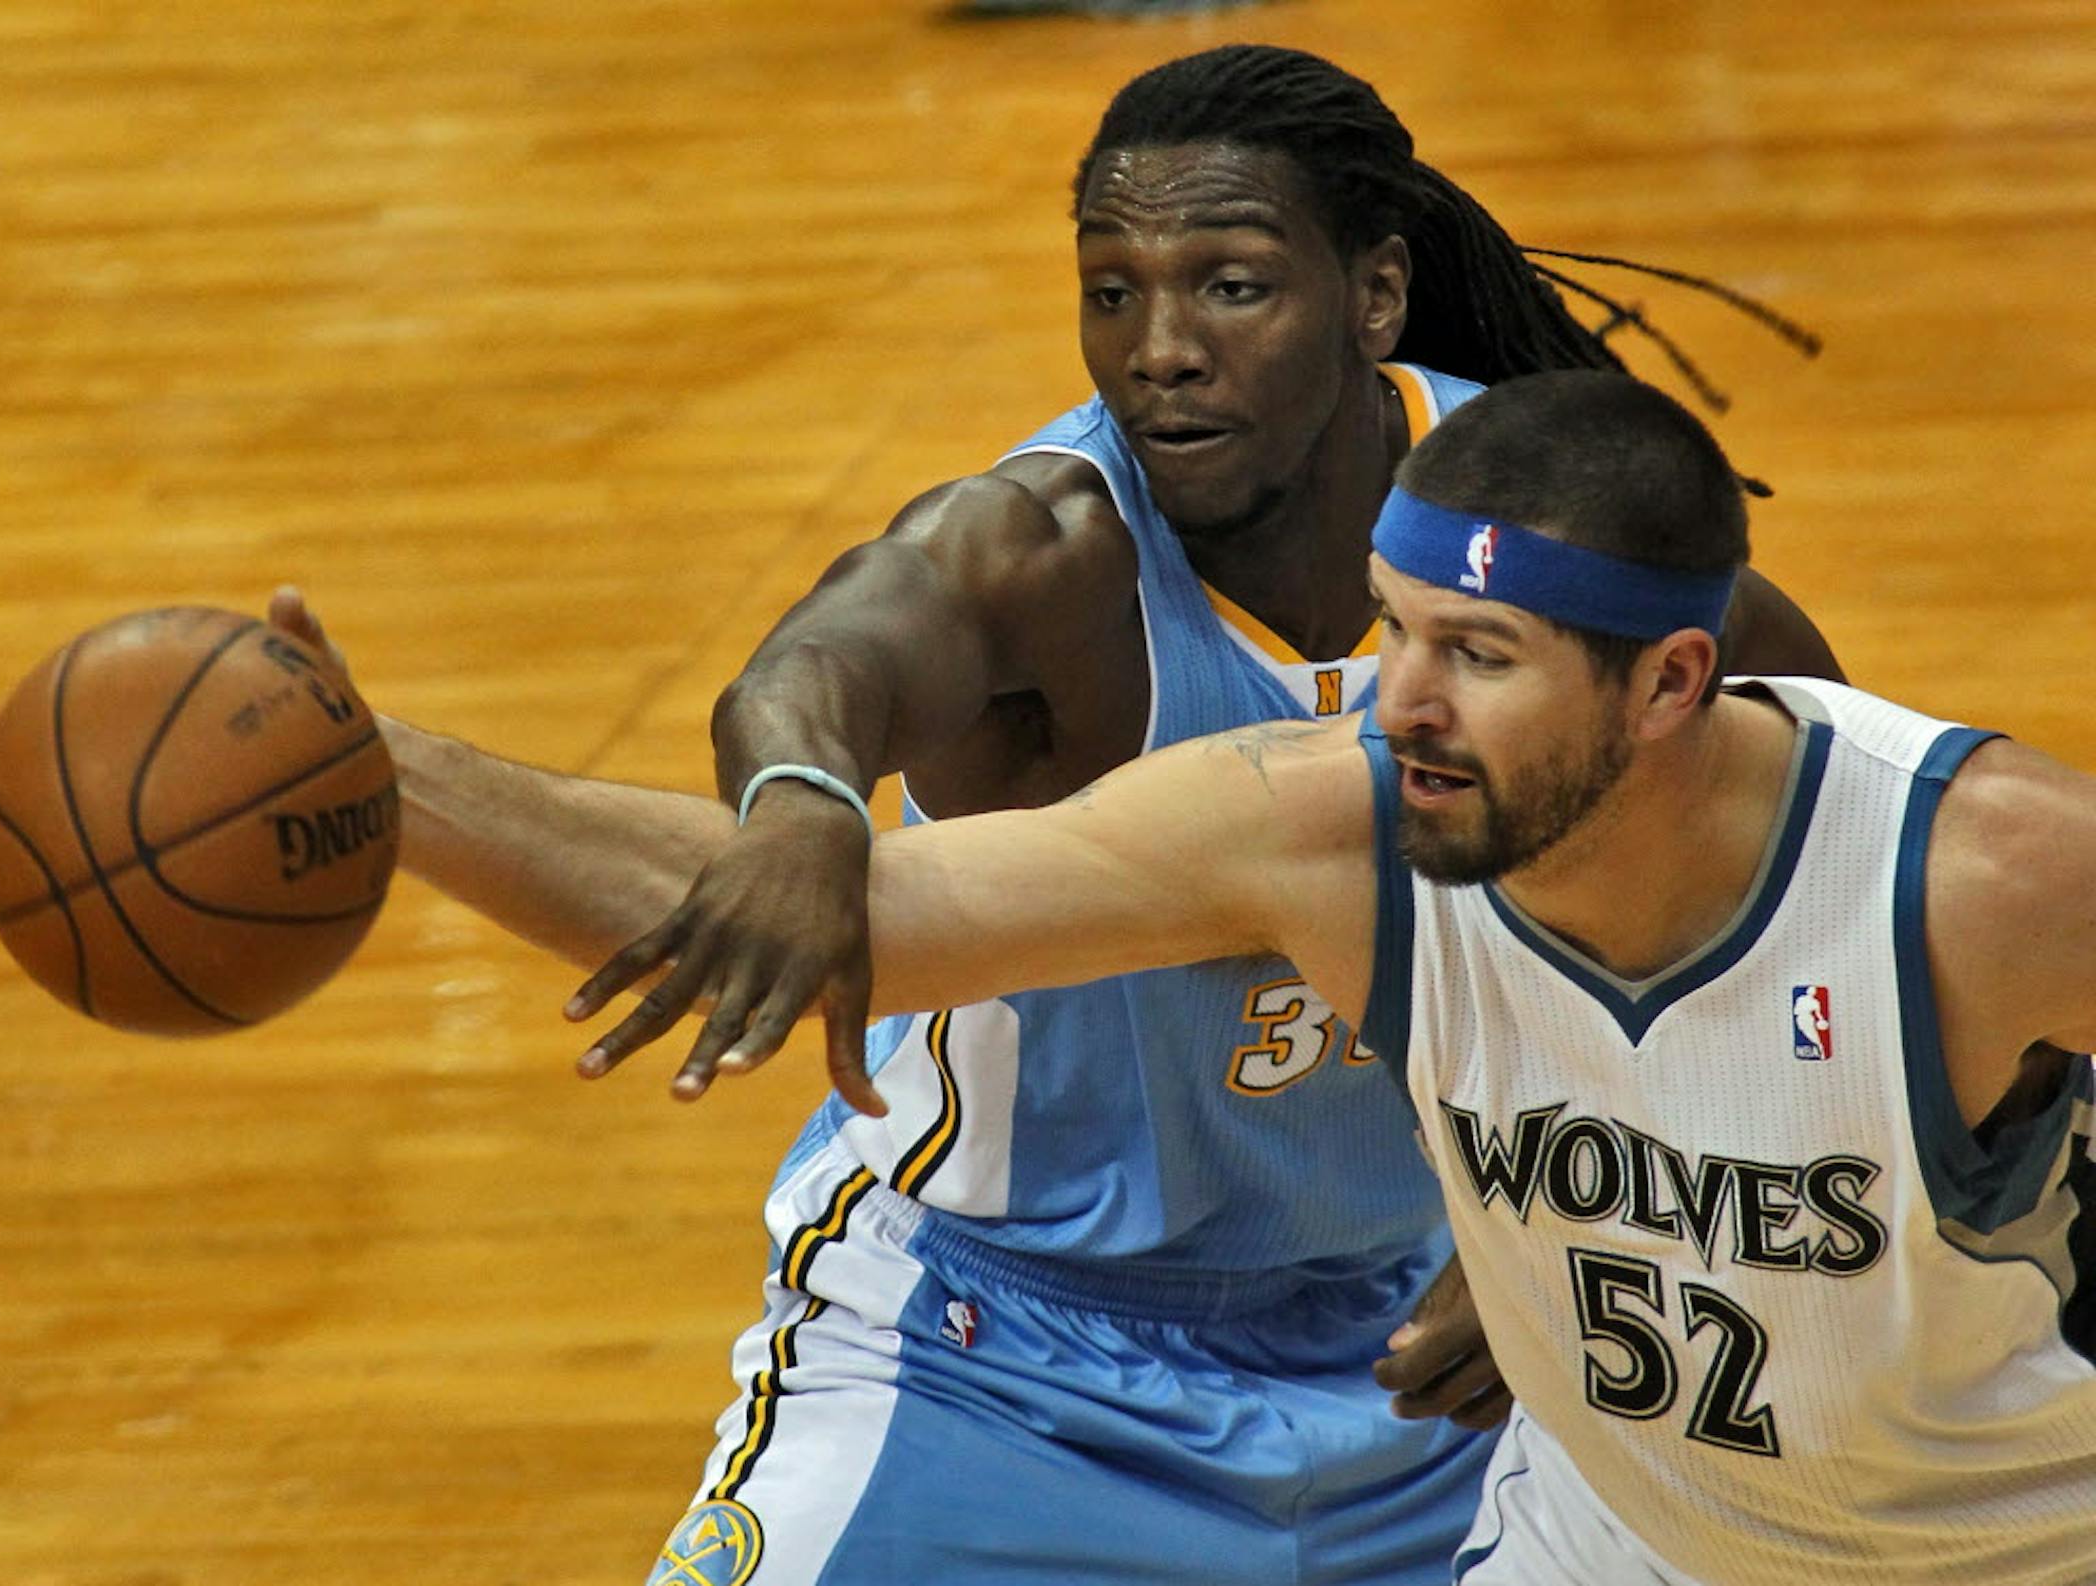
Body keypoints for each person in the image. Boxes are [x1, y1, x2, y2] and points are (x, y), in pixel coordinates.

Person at [285, 47, 1840, 1584]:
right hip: (1005, 1366)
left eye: (1230, 287)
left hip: (1442, 1363)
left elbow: (1818, 899)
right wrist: (803, 800)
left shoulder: (1545, 524)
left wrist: (1593, 1232)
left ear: (1374, 297)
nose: (1159, 350)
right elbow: (825, 658)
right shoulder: (1050, 550)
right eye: (1111, 291)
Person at [382, 369, 2095, 1583]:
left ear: (1669, 686)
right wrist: (381, 774)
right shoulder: (1342, 827)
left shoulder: (1986, 877)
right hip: (1615, 1545)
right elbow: (834, 910)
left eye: (1478, 654)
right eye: (1393, 625)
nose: (1398, 702)